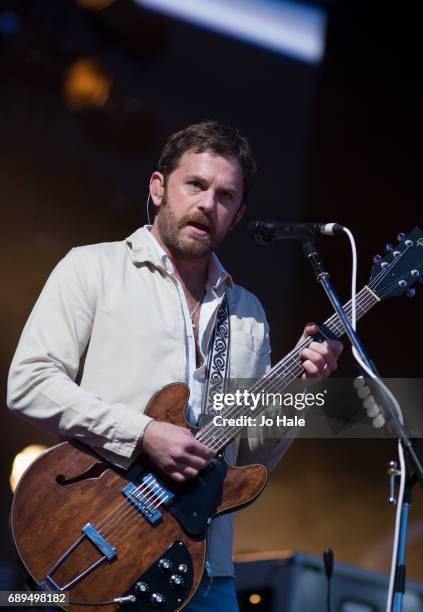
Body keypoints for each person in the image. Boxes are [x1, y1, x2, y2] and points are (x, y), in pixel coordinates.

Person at [7, 120, 343, 611]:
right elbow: (28, 383)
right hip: (100, 540)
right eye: (196, 185)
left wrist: (302, 391)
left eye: (226, 196)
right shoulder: (94, 268)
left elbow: (251, 460)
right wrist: (144, 433)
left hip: (207, 576)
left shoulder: (247, 313)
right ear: (159, 187)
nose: (209, 204)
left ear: (238, 214)